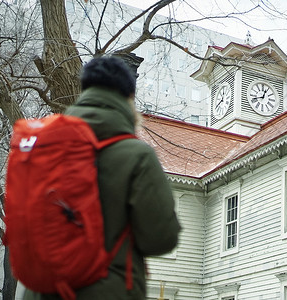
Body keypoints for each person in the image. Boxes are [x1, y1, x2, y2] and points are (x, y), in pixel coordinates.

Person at [22, 56, 181, 300]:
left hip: (42, 291)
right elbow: (160, 238)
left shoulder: (42, 147)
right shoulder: (136, 155)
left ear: (84, 92)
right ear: (129, 97)